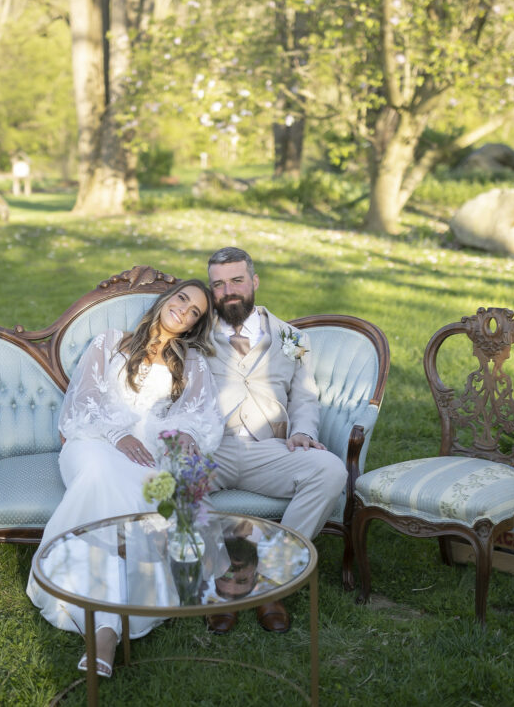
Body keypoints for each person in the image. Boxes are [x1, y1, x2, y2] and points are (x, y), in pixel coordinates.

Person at [25, 279, 223, 678]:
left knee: (129, 494)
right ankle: (110, 624)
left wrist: (182, 434)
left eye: (194, 312)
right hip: (92, 444)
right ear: (166, 299)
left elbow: (202, 419)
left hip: (144, 457)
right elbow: (82, 402)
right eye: (181, 299)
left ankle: (105, 629)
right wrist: (119, 434)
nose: (183, 311)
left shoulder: (193, 364)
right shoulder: (109, 342)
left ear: (193, 325)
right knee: (100, 475)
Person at [204, 247, 345, 635]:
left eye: (236, 280)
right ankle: (224, 582)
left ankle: (270, 580)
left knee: (330, 471)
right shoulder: (195, 334)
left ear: (254, 281)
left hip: (270, 449)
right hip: (212, 448)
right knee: (169, 480)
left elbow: (304, 395)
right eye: (218, 284)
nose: (228, 291)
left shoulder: (290, 337)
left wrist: (303, 432)